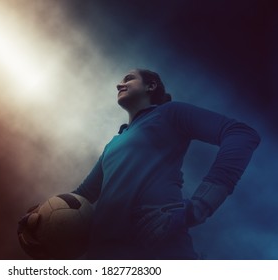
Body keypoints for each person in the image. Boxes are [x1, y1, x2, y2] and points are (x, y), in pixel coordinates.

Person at [18, 69, 260, 259]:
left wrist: (200, 206)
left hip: (160, 255)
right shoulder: (114, 143)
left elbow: (241, 134)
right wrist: (41, 217)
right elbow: (82, 196)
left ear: (151, 86)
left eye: (129, 78)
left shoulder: (169, 113)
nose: (118, 84)